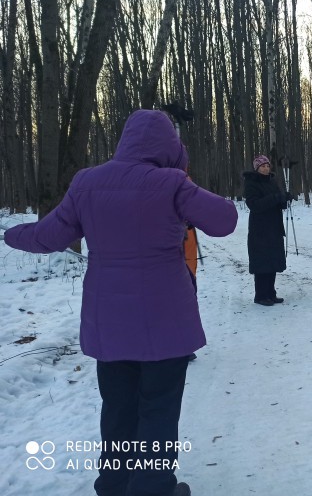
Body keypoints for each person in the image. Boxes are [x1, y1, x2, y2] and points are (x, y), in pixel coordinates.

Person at [3, 110, 237, 496]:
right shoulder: (172, 183)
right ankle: (153, 486)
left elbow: (47, 236)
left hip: (107, 322)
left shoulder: (87, 182)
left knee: (117, 408)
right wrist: (183, 177)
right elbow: (225, 220)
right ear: (169, 147)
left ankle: (114, 484)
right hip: (165, 323)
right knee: (158, 408)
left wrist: (12, 233)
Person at [243, 154, 296, 305]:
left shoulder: (272, 181)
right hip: (259, 229)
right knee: (262, 262)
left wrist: (284, 199)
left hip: (274, 227)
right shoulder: (251, 183)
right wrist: (276, 198)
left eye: (267, 166)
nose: (266, 168)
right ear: (257, 168)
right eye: (263, 166)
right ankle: (260, 295)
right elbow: (255, 205)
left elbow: (276, 201)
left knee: (272, 261)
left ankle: (271, 293)